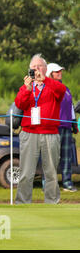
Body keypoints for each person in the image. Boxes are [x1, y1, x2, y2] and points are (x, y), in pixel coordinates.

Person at [14, 54, 66, 204]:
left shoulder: (52, 85)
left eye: (39, 66)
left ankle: (52, 202)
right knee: (26, 172)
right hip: (29, 133)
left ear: (45, 68)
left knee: (51, 172)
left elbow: (62, 91)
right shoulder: (26, 87)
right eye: (33, 67)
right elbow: (20, 104)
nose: (36, 69)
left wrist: (46, 80)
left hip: (50, 134)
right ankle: (23, 202)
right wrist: (27, 89)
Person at [46, 63, 77, 192]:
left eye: (60, 71)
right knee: (50, 157)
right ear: (50, 74)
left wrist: (74, 123)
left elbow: (71, 108)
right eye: (57, 71)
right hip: (53, 127)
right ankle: (47, 184)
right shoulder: (47, 88)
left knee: (66, 156)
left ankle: (67, 182)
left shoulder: (66, 89)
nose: (60, 73)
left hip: (66, 126)